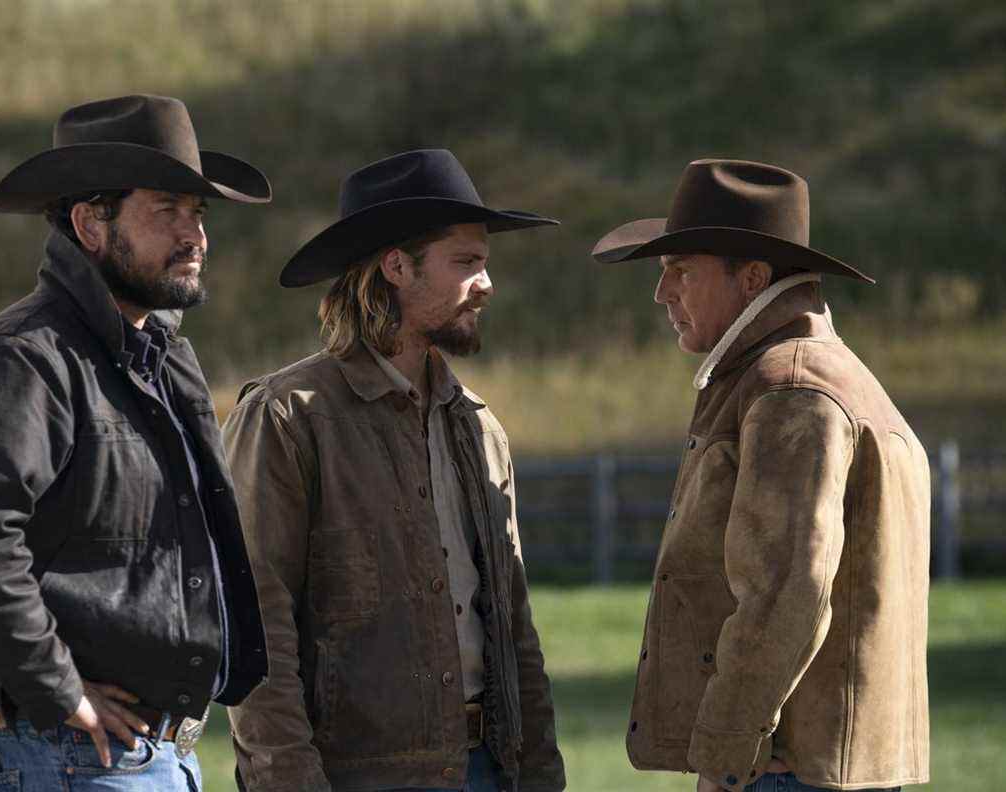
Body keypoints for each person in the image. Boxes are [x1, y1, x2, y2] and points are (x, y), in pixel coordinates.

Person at [0, 94, 272, 791]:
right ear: (90, 224)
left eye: (199, 213)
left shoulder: (160, 358)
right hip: (68, 759)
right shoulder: (21, 360)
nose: (195, 235)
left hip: (150, 759)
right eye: (167, 208)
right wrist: (59, 688)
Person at [223, 149, 567, 791]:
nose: (487, 284)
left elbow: (516, 630)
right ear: (397, 267)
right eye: (466, 263)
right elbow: (256, 632)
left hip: (491, 771)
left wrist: (542, 775)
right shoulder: (287, 421)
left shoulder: (479, 428)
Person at [591, 159, 931, 792]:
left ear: (751, 279)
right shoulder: (833, 376)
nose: (662, 293)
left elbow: (784, 592)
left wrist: (726, 751)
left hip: (786, 770)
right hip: (828, 764)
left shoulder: (790, 389)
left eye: (681, 271)